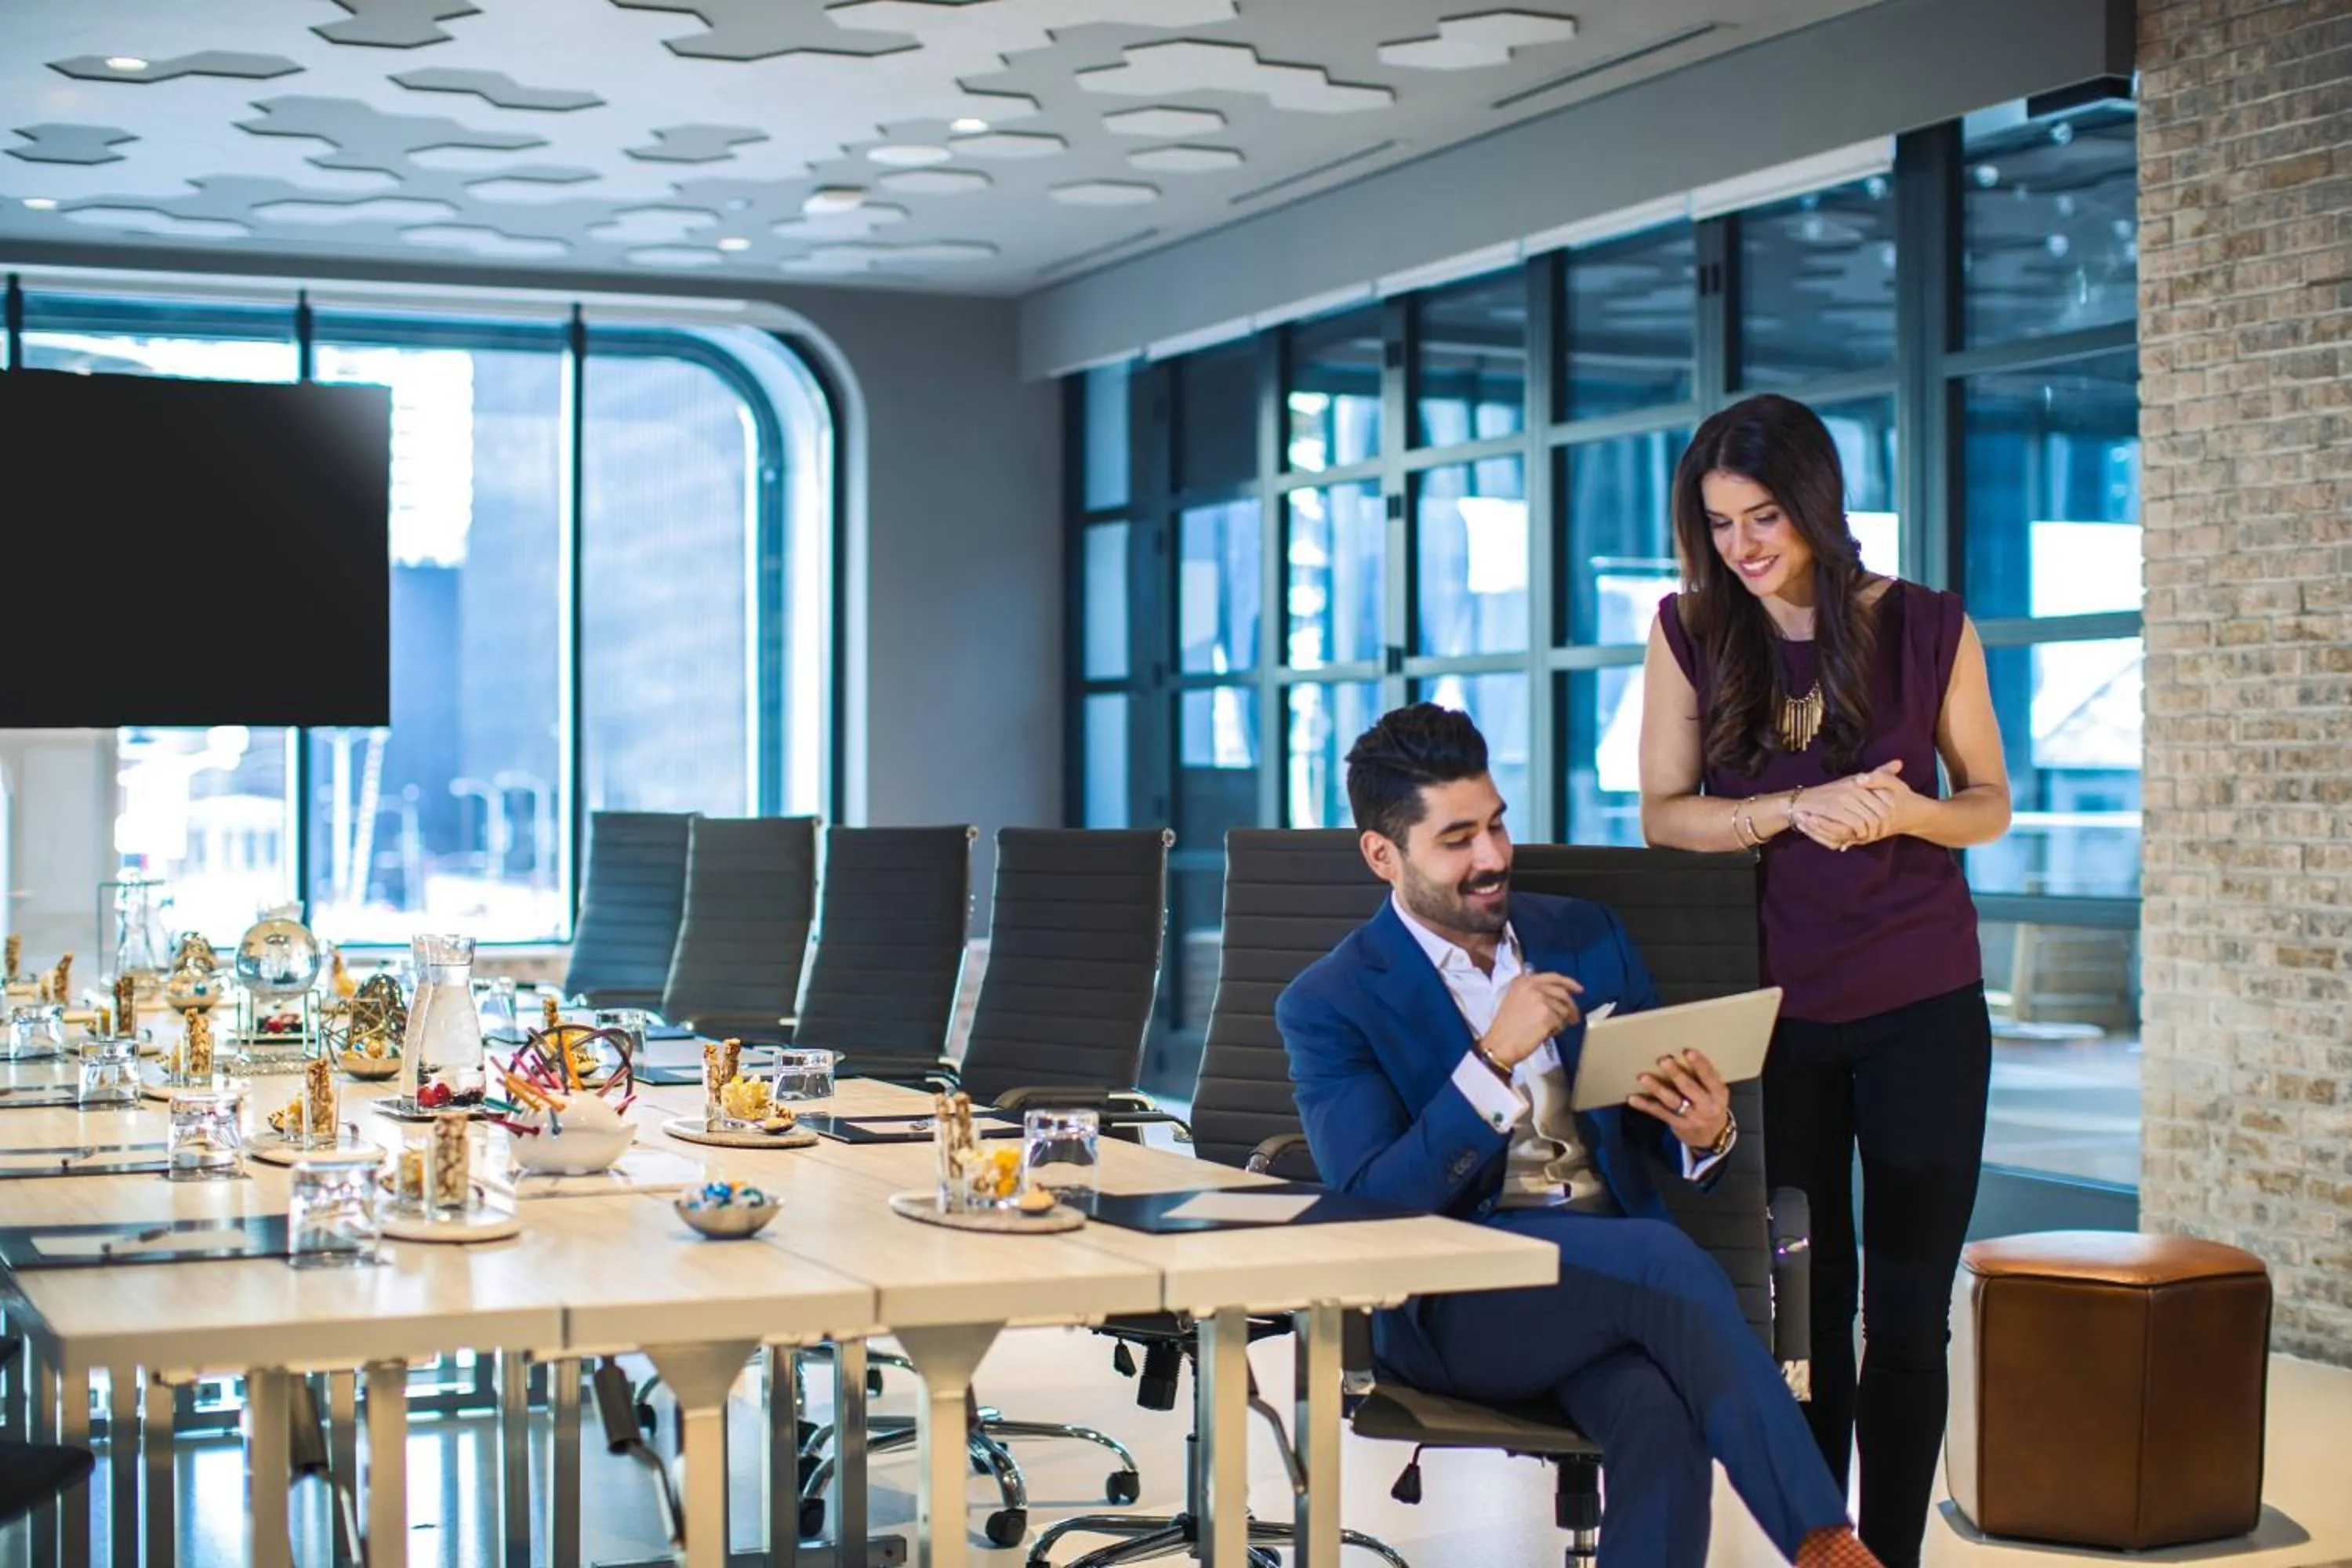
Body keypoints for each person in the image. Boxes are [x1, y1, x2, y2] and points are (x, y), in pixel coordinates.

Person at [1279, 703, 1879, 1568]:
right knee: (1664, 1261)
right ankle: (1824, 1542)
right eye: (1457, 839)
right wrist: (1491, 1059)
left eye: (1495, 825)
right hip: (1464, 1297)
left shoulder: (1586, 932)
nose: (1491, 858)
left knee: (1659, 1412)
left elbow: (1658, 1120)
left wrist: (1703, 1134)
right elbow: (1377, 1205)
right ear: (1384, 854)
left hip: (1607, 1274)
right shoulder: (1330, 1001)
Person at [1639, 393, 2010, 1566]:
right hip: (1779, 1027)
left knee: (1905, 1321)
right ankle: (1820, 1546)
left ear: (1816, 506)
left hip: (1925, 1018)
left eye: (1764, 519)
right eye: (1719, 525)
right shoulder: (1691, 627)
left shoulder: (1928, 625)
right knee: (1802, 1320)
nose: (1744, 547)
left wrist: (1908, 811)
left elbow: (1989, 805)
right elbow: (1663, 817)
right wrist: (1790, 809)